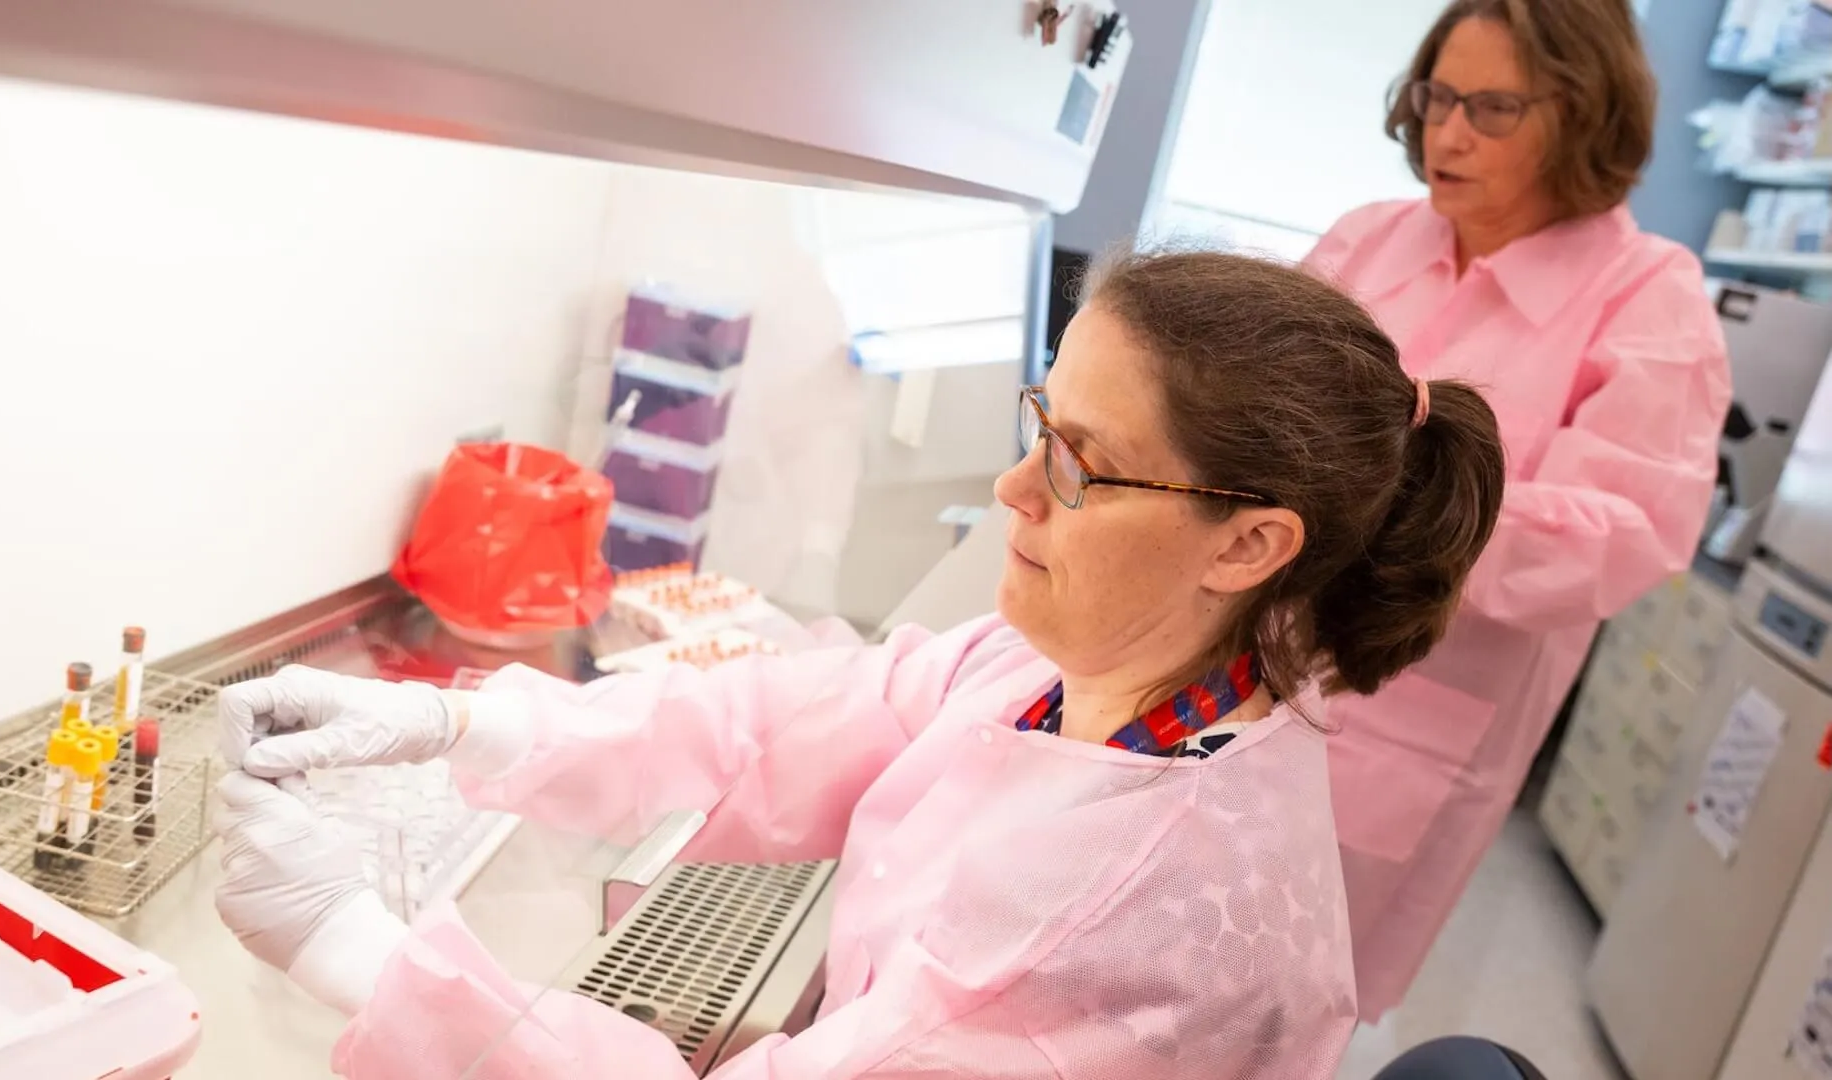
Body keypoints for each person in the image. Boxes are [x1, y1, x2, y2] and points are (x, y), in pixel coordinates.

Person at [211, 251, 1506, 1078]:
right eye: (1036, 425)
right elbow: (791, 717)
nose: (1012, 488)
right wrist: (465, 728)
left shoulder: (1110, 931)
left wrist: (363, 956)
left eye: (1073, 462)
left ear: (1247, 545)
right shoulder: (1101, 675)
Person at [1301, 0, 1732, 1021]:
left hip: (1410, 713)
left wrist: (1384, 486)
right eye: (1437, 96)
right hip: (1242, 658)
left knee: (1293, 994)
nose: (1447, 133)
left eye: (1490, 108)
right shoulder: (1369, 240)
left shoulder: (1648, 298)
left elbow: (1622, 534)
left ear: (1581, 112)